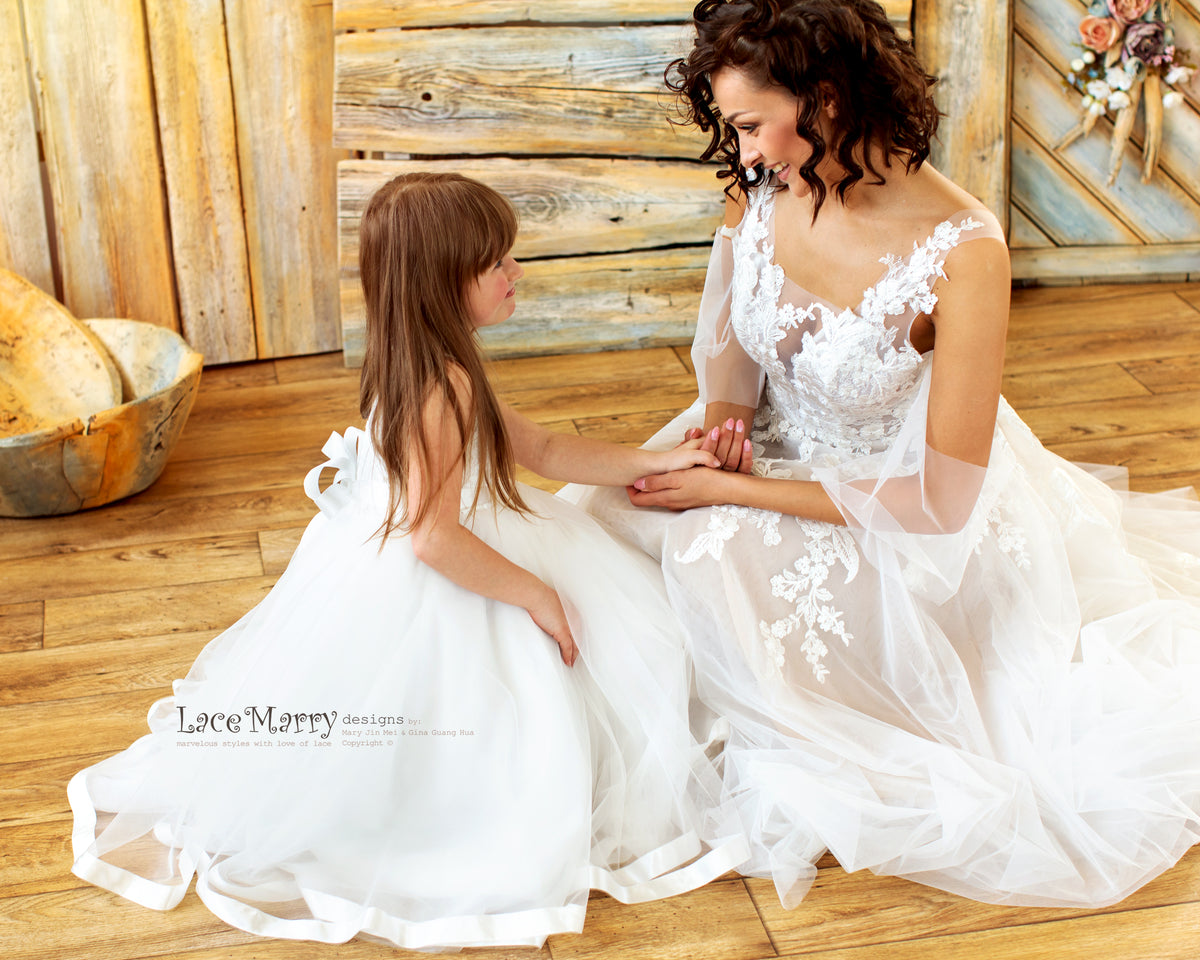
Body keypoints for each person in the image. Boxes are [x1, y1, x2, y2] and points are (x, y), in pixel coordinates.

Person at [568, 0, 1200, 910]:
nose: (743, 152)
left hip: (905, 517)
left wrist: (726, 494)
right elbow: (738, 329)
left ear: (824, 97)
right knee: (613, 513)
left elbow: (941, 504)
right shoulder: (768, 180)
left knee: (710, 551)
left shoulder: (964, 250)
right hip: (776, 448)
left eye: (751, 124)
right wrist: (725, 420)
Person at [68, 172, 747, 951]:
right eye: (498, 263)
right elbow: (433, 538)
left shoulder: (428, 361)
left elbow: (543, 448)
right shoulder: (443, 387)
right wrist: (538, 596)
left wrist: (649, 463)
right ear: (443, 284)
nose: (515, 272)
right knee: (517, 691)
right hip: (449, 563)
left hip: (429, 540)